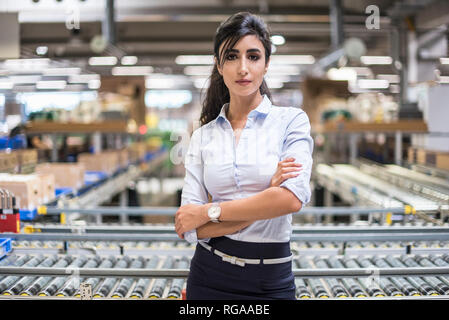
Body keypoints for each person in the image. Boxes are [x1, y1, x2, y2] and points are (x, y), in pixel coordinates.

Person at [175, 12, 313, 300]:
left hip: (270, 280)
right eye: (231, 57)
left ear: (266, 64)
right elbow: (188, 225)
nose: (242, 68)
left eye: (253, 56)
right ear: (218, 65)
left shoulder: (291, 122)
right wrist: (267, 195)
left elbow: (290, 199)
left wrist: (208, 212)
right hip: (208, 276)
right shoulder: (203, 137)